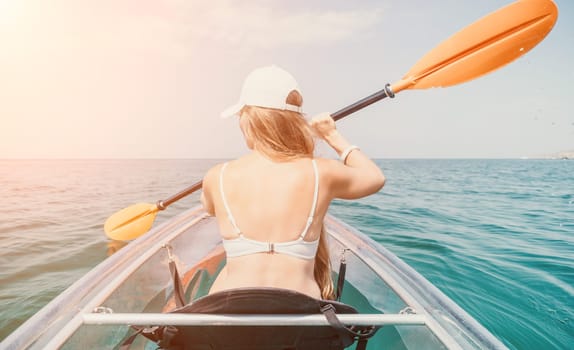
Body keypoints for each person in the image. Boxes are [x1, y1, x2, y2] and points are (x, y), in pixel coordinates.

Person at [201, 65, 385, 300]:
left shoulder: (217, 176)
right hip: (299, 318)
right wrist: (331, 135)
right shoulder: (322, 172)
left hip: (229, 315)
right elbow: (375, 178)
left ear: (250, 120)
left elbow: (208, 207)